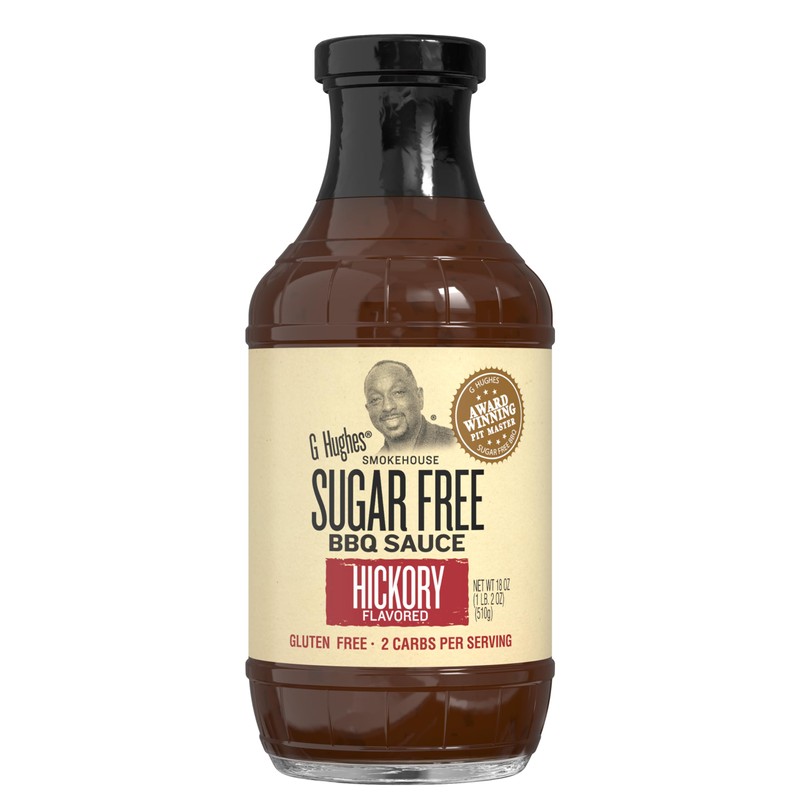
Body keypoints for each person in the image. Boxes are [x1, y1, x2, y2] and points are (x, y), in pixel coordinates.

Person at [364, 360, 455, 452]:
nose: (388, 407)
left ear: (419, 397)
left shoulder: (455, 445)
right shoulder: (377, 460)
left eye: (398, 392)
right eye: (375, 399)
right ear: (368, 409)